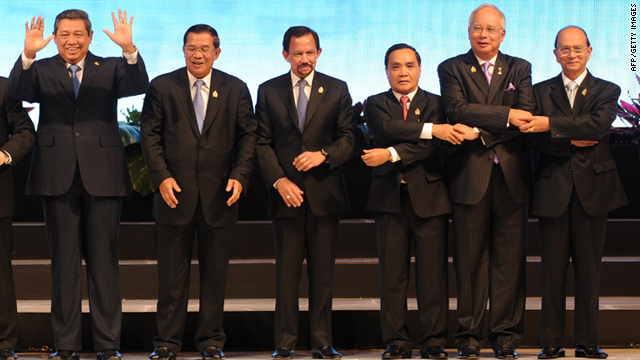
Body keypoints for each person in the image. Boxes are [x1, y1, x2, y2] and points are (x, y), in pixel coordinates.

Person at [7, 9, 149, 360]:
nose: (71, 40)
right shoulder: (41, 68)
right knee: (64, 265)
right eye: (64, 34)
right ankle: (66, 345)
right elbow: (16, 91)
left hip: (102, 174)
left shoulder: (112, 67)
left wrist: (129, 49)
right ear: (54, 37)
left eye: (78, 34)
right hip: (57, 175)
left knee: (104, 263)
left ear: (90, 37)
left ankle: (107, 345)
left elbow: (138, 84)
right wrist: (28, 55)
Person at [140, 24, 256, 360]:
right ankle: (166, 342)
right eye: (191, 47)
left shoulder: (235, 88)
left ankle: (210, 342)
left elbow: (248, 137)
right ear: (183, 50)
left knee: (215, 278)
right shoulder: (163, 86)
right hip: (173, 195)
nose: (198, 54)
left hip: (220, 196)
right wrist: (160, 177)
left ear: (217, 52)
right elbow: (150, 136)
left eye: (205, 48)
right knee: (171, 278)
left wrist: (240, 175)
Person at [519, 26, 627, 360]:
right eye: (564, 49)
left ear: (590, 51)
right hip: (553, 188)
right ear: (554, 54)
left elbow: (595, 128)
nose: (572, 55)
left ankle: (587, 343)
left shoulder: (607, 89)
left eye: (578, 49)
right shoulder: (538, 92)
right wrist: (570, 132)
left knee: (588, 272)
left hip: (593, 191)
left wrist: (550, 125)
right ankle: (551, 343)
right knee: (552, 273)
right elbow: (530, 139)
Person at [437, 4, 535, 359]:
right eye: (477, 28)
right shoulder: (451, 68)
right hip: (469, 176)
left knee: (510, 262)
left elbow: (527, 116)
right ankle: (468, 338)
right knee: (469, 261)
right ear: (468, 31)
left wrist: (479, 130)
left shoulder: (520, 67)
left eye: (491, 29)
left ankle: (506, 338)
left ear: (502, 34)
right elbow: (456, 110)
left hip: (511, 175)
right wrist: (506, 116)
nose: (483, 34)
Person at [362, 43, 472, 360]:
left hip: (431, 199)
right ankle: (396, 342)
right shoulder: (375, 104)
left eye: (409, 65)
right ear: (386, 71)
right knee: (392, 276)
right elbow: (386, 129)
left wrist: (392, 153)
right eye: (395, 66)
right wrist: (431, 130)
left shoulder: (437, 104)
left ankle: (433, 341)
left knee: (433, 276)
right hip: (389, 199)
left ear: (420, 69)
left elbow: (430, 148)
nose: (403, 72)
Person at [255, 26, 356, 360]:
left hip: (324, 196)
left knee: (323, 276)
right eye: (297, 53)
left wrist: (322, 155)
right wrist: (280, 182)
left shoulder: (338, 89)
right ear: (285, 54)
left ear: (319, 52)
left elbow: (348, 139)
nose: (304, 59)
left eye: (310, 52)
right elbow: (262, 143)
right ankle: (284, 344)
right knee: (286, 277)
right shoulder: (268, 91)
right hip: (286, 196)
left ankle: (322, 342)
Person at [0, 77, 36, 360]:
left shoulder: (4, 88)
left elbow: (25, 130)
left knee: (0, 274)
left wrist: (4, 154)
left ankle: (4, 344)